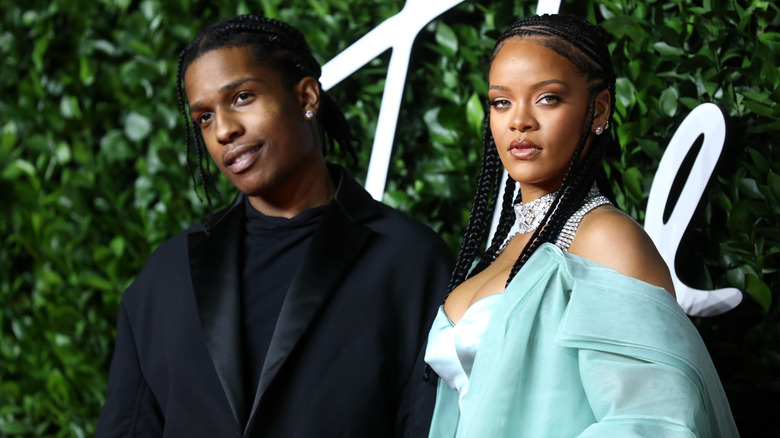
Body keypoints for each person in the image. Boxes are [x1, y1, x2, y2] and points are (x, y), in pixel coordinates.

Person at [96, 14, 454, 437]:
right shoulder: (167, 276)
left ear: (306, 96)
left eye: (243, 97)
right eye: (205, 118)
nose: (224, 130)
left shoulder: (410, 261)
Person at [424, 14, 739, 437]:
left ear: (600, 108)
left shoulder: (605, 238)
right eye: (501, 102)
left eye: (547, 98)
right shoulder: (506, 244)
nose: (519, 121)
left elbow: (658, 422)